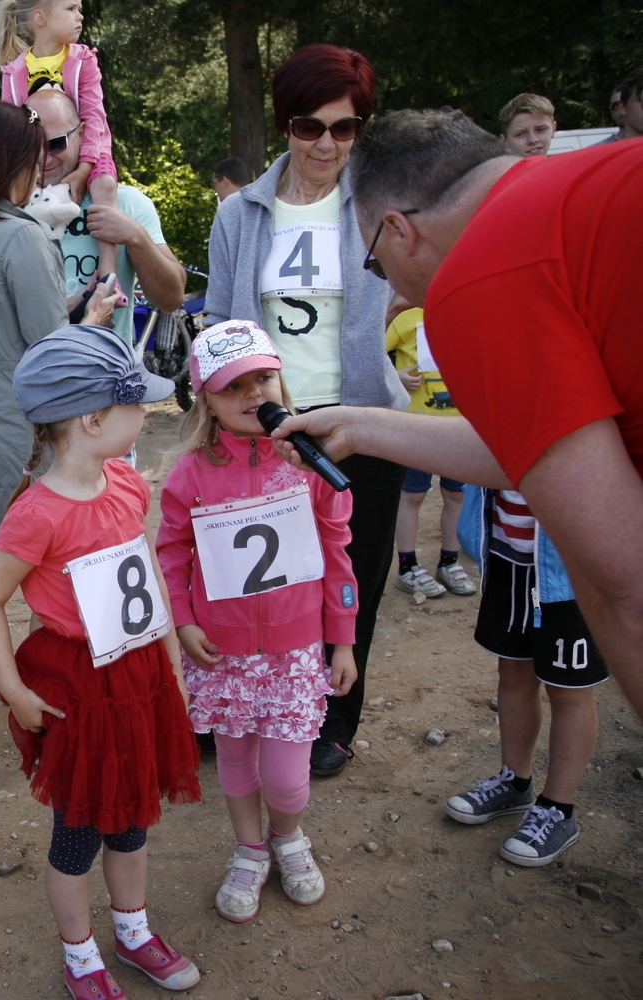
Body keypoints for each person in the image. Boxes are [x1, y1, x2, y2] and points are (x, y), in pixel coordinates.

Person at [269, 108, 643, 718]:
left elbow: (622, 582)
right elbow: (532, 450)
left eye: (374, 263)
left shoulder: (476, 276)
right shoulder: (585, 184)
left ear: (399, 231)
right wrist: (362, 424)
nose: (391, 287)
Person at [0, 325, 201, 997]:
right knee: (77, 830)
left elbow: (146, 582)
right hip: (77, 685)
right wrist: (11, 686)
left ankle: (132, 932)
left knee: (130, 818)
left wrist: (169, 662)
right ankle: (80, 956)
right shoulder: (36, 514)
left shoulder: (128, 483)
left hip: (137, 677)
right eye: (138, 405)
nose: (147, 415)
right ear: (94, 417)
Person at [204, 44, 403, 778]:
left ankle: (334, 719)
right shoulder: (239, 215)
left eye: (345, 129)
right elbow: (223, 321)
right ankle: (245, 707)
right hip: (270, 428)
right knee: (261, 581)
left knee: (352, 577)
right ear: (283, 124)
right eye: (309, 126)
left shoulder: (380, 207)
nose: (326, 144)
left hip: (364, 421)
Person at [155, 322, 356, 923]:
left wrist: (341, 638)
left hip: (296, 652)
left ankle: (289, 837)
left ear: (281, 379)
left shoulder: (309, 464)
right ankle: (248, 849)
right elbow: (171, 553)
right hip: (222, 653)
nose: (252, 394)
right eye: (231, 385)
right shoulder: (189, 472)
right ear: (205, 400)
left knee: (288, 777)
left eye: (262, 378)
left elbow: (338, 550)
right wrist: (183, 620)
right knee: (236, 760)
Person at [0, 101, 121, 706]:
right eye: (34, 159)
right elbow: (49, 349)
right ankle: (13, 680)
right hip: (8, 423)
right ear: (7, 161)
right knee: (0, 565)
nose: (42, 170)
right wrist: (89, 318)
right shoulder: (21, 237)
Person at [442, 485, 608, 866]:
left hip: (571, 566)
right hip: (508, 551)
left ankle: (558, 808)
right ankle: (515, 781)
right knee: (513, 669)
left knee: (570, 687)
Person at [28, 88, 187, 343]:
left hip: (104, 375)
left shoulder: (125, 202)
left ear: (81, 133)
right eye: (31, 145)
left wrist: (136, 236)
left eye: (55, 144)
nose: (42, 157)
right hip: (30, 374)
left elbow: (172, 298)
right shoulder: (11, 209)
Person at [0, 0, 122, 284]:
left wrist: (85, 168)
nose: (80, 15)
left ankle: (109, 274)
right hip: (34, 157)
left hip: (90, 147)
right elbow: (12, 127)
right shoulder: (14, 73)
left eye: (79, 8)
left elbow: (94, 116)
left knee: (105, 186)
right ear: (41, 17)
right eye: (71, 8)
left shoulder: (83, 60)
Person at [385, 307, 475, 598]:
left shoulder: (465, 312)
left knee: (456, 494)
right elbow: (373, 354)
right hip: (416, 424)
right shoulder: (406, 316)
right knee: (412, 495)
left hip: (460, 425)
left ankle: (449, 561)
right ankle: (407, 566)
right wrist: (396, 376)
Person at [497, 93, 556, 158]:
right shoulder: (497, 168)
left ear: (553, 129)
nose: (533, 140)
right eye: (520, 134)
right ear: (504, 141)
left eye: (540, 130)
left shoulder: (565, 167)